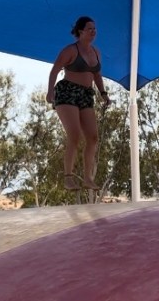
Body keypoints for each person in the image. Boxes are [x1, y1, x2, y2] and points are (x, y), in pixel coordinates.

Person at [46, 16, 111, 190]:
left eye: (95, 29)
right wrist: (50, 91)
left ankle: (88, 178)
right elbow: (54, 70)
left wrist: (103, 93)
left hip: (86, 95)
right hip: (67, 92)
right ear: (80, 31)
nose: (93, 32)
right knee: (74, 135)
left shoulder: (96, 52)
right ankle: (68, 178)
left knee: (93, 137)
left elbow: (97, 74)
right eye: (90, 29)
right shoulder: (70, 50)